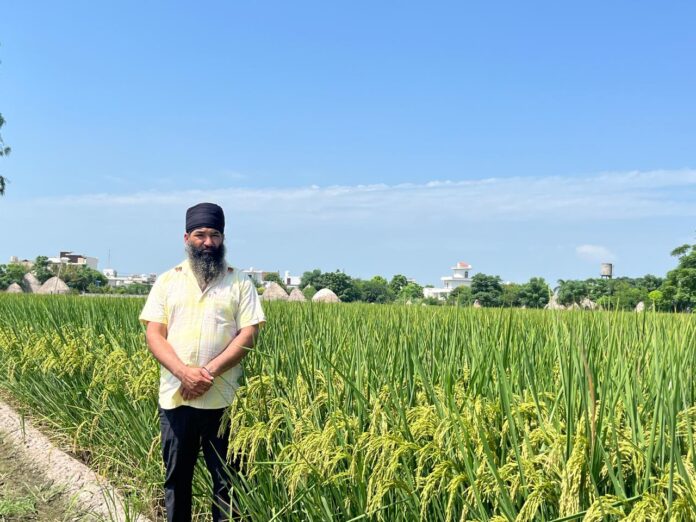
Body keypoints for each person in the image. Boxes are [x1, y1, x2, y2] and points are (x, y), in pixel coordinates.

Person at [140, 202, 265, 522]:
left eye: (215, 235)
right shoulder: (168, 281)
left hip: (223, 400)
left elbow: (248, 335)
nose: (208, 242)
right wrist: (184, 373)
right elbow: (155, 334)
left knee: (228, 483)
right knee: (176, 480)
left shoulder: (240, 283)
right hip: (176, 397)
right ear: (186, 238)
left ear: (223, 239)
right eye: (200, 235)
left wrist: (206, 373)